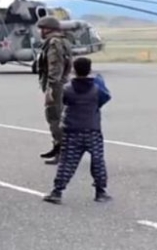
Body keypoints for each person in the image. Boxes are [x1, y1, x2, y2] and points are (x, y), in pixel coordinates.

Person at [42, 57, 111, 203]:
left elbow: (60, 101)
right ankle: (100, 191)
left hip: (72, 130)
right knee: (98, 161)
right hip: (92, 129)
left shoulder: (68, 88)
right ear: (89, 69)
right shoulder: (97, 87)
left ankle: (57, 192)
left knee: (67, 162)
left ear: (74, 70)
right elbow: (105, 98)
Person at [36, 15, 73, 164]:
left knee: (54, 117)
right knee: (58, 117)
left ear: (48, 29)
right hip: (61, 84)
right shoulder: (62, 41)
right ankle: (60, 149)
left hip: (56, 86)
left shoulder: (53, 43)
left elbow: (54, 66)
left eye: (42, 29)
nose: (40, 32)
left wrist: (51, 88)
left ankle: (62, 151)